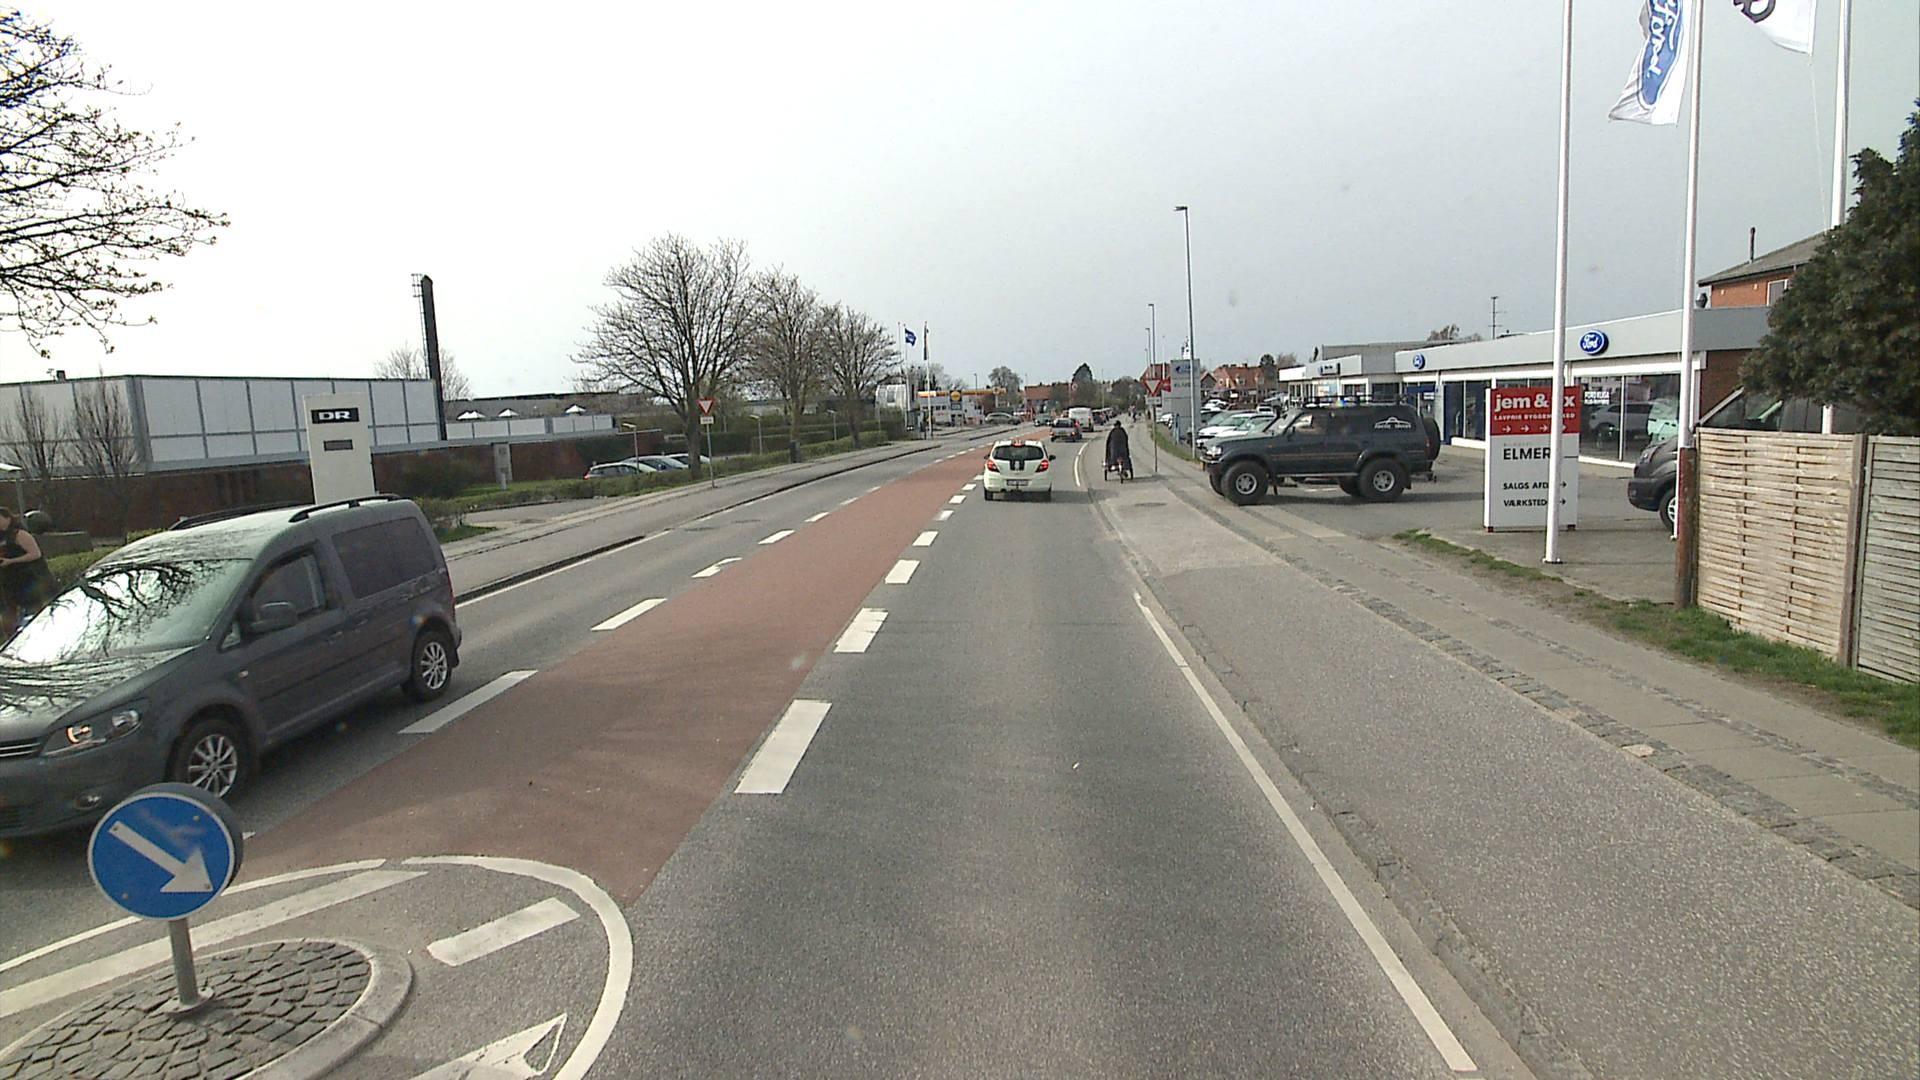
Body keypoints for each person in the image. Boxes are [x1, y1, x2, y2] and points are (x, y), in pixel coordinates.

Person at [0, 506, 55, 639]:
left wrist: (11, 561)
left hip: (27, 578)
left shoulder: (19, 534)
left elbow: (35, 554)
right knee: (8, 615)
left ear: (8, 518)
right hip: (8, 581)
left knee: (33, 611)